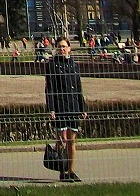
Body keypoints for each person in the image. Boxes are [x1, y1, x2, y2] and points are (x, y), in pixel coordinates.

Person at [45, 36, 87, 183]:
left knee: (71, 141)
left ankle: (70, 171)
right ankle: (62, 169)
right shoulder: (52, 65)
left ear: (69, 48)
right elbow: (49, 88)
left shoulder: (74, 65)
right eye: (59, 47)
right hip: (60, 106)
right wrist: (51, 108)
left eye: (64, 46)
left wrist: (83, 107)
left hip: (73, 106)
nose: (62, 49)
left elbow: (79, 87)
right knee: (62, 139)